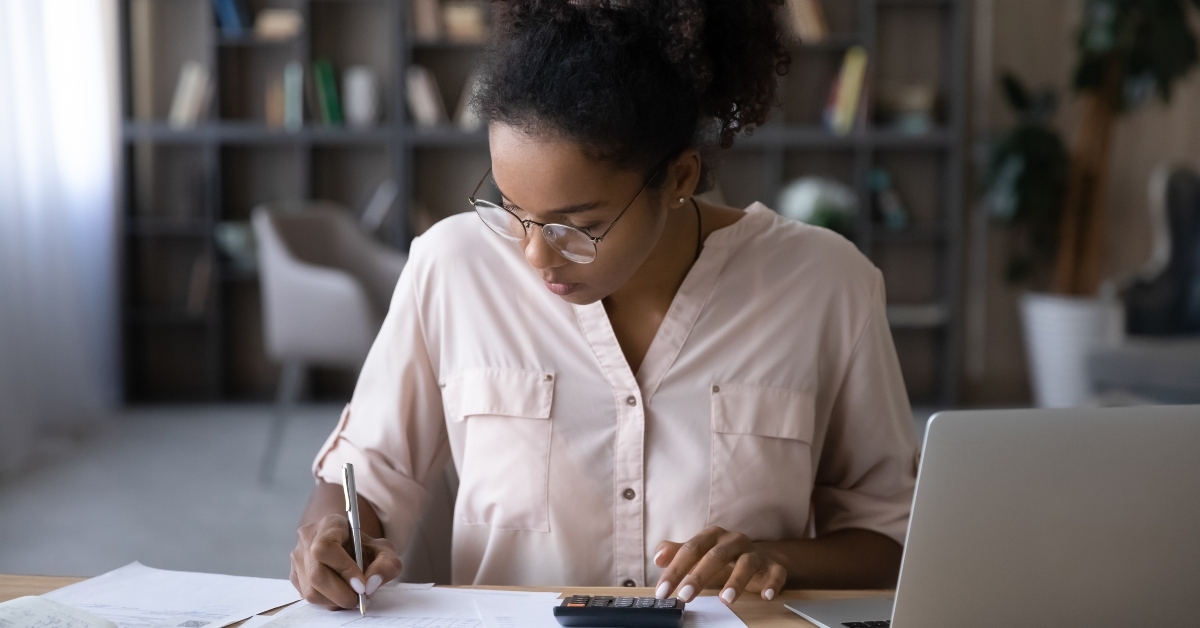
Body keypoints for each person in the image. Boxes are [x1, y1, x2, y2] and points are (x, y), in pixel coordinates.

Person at [289, 0, 919, 611]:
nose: (535, 255)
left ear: (678, 178)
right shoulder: (451, 268)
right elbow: (363, 477)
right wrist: (331, 540)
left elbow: (894, 540)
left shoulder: (826, 286)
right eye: (512, 209)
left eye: (577, 224)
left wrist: (778, 557)